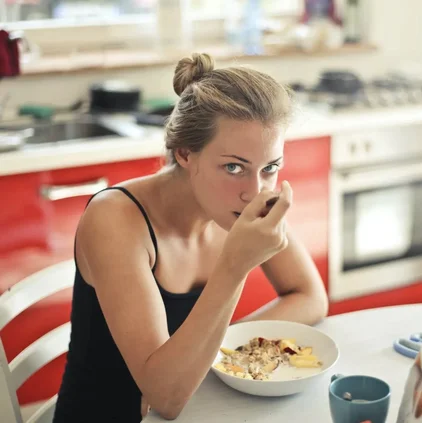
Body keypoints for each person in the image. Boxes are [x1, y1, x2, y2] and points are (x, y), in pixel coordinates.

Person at [52, 52, 328, 423]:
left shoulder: (246, 199)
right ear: (185, 153)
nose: (254, 191)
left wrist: (206, 353)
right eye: (233, 167)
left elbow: (310, 297)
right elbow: (165, 397)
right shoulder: (115, 220)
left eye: (270, 167)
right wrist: (235, 266)